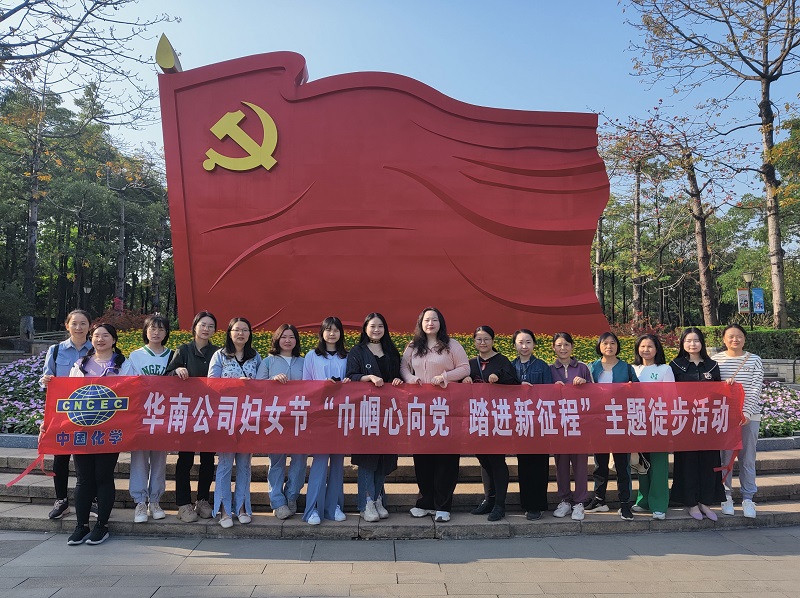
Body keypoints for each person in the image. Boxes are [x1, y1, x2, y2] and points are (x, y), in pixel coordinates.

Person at [66, 323, 137, 545]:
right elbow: (68, 393)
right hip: (82, 428)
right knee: (83, 478)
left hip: (109, 428)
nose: (100, 339)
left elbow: (133, 393)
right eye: (96, 335)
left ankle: (101, 526)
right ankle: (81, 526)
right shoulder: (80, 364)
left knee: (103, 476)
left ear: (114, 340)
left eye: (105, 336)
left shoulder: (124, 365)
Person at [400, 307, 469, 523]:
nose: (430, 323)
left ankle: (443, 505)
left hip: (446, 409)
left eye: (434, 320)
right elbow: (403, 367)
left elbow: (465, 368)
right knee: (422, 457)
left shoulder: (452, 345)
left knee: (446, 458)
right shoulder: (413, 346)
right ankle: (426, 502)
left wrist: (446, 376)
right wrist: (411, 379)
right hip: (421, 410)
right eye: (426, 320)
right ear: (420, 323)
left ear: (441, 323)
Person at [345, 312, 402, 523]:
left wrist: (397, 381)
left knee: (384, 458)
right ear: (365, 328)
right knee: (367, 459)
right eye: (372, 326)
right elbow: (350, 376)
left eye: (380, 326)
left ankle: (377, 498)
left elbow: (399, 376)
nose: (376, 330)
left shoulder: (391, 351)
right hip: (365, 413)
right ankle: (366, 503)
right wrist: (367, 377)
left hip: (387, 414)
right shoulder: (357, 351)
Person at [165, 310, 220, 523]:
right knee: (185, 458)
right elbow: (166, 376)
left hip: (210, 412)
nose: (206, 329)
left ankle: (203, 500)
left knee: (208, 458)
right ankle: (183, 503)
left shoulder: (218, 352)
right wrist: (177, 371)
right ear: (195, 326)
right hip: (188, 413)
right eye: (203, 325)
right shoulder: (184, 350)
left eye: (210, 326)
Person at [208, 317, 262, 528]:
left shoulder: (255, 356)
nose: (241, 334)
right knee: (224, 463)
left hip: (248, 417)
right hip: (226, 416)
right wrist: (235, 384)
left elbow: (263, 386)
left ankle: (242, 507)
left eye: (245, 330)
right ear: (229, 333)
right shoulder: (219, 356)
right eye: (237, 330)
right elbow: (211, 384)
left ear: (250, 334)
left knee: (244, 464)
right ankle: (223, 508)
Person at [39, 309, 92, 521]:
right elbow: (46, 378)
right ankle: (61, 500)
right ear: (67, 325)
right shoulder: (55, 350)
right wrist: (45, 381)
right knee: (60, 457)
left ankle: (89, 500)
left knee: (86, 457)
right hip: (62, 412)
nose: (79, 327)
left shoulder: (96, 349)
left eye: (83, 323)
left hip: (88, 412)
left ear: (90, 326)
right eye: (74, 323)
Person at [463, 325, 518, 521]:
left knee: (496, 461)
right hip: (477, 419)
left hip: (497, 420)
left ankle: (500, 504)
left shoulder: (502, 361)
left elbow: (515, 383)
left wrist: (500, 377)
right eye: (479, 339)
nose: (483, 342)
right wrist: (465, 379)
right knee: (484, 461)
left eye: (486, 339)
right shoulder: (470, 363)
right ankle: (489, 499)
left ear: (493, 341)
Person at [670, 327, 725, 521]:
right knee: (688, 463)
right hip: (685, 423)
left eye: (696, 340)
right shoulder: (675, 365)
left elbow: (720, 393)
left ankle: (705, 502)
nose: (692, 344)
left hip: (708, 423)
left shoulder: (712, 366)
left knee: (709, 462)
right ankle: (691, 503)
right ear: (682, 343)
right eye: (688, 340)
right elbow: (669, 394)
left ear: (702, 342)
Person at [712, 324, 765, 518]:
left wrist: (746, 413)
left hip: (749, 418)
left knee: (747, 458)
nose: (735, 340)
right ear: (724, 339)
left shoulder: (754, 360)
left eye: (739, 336)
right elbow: (712, 388)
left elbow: (755, 388)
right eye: (731, 336)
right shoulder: (716, 360)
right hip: (725, 417)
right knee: (725, 458)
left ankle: (748, 498)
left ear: (745, 339)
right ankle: (726, 496)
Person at [302, 316, 350, 525]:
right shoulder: (312, 356)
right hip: (320, 416)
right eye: (328, 330)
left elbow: (354, 380)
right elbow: (305, 384)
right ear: (322, 333)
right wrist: (323, 385)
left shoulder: (347, 356)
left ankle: (334, 506)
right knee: (320, 462)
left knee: (338, 463)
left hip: (341, 415)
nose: (332, 334)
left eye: (336, 330)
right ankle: (312, 508)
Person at [126, 314, 173, 523]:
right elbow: (128, 384)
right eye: (152, 328)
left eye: (161, 329)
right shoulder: (136, 356)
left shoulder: (173, 355)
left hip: (164, 415)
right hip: (141, 415)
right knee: (139, 459)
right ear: (145, 331)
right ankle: (140, 502)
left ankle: (155, 500)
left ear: (166, 333)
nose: (156, 333)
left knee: (159, 459)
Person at [256, 323, 307, 519]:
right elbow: (257, 388)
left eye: (291, 337)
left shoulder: (303, 362)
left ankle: (292, 495)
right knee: (276, 461)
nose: (287, 340)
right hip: (275, 418)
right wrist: (272, 381)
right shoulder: (268, 362)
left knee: (300, 459)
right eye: (284, 336)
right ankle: (277, 501)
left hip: (299, 417)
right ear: (277, 339)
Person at [587, 331, 639, 520]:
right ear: (599, 346)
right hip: (599, 421)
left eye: (612, 343)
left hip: (620, 421)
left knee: (622, 464)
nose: (609, 346)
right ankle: (599, 499)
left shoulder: (626, 368)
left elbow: (639, 391)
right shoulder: (591, 367)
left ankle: (624, 503)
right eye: (605, 343)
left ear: (618, 346)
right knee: (599, 463)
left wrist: (633, 388)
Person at [631, 333, 675, 521]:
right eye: (642, 346)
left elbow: (671, 397)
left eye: (650, 346)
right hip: (637, 420)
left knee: (658, 463)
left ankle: (659, 504)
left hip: (658, 420)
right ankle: (643, 501)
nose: (646, 350)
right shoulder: (633, 368)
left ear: (657, 349)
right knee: (641, 463)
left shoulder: (665, 369)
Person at [549, 331, 592, 522]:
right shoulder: (549, 369)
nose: (563, 348)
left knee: (580, 465)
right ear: (553, 347)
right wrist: (553, 388)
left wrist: (585, 383)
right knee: (561, 465)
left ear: (572, 347)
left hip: (579, 424)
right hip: (558, 425)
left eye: (566, 344)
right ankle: (565, 500)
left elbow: (595, 394)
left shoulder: (582, 368)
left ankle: (579, 502)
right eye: (559, 345)